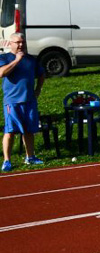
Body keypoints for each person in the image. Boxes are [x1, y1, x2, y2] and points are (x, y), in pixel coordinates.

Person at [0, 33, 45, 171]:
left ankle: (30, 157)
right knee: (10, 131)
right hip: (12, 102)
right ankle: (7, 160)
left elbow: (42, 74)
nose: (21, 45)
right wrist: (16, 61)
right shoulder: (4, 58)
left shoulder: (31, 59)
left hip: (29, 101)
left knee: (29, 130)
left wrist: (38, 89)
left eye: (23, 42)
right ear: (11, 43)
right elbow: (2, 73)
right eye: (18, 42)